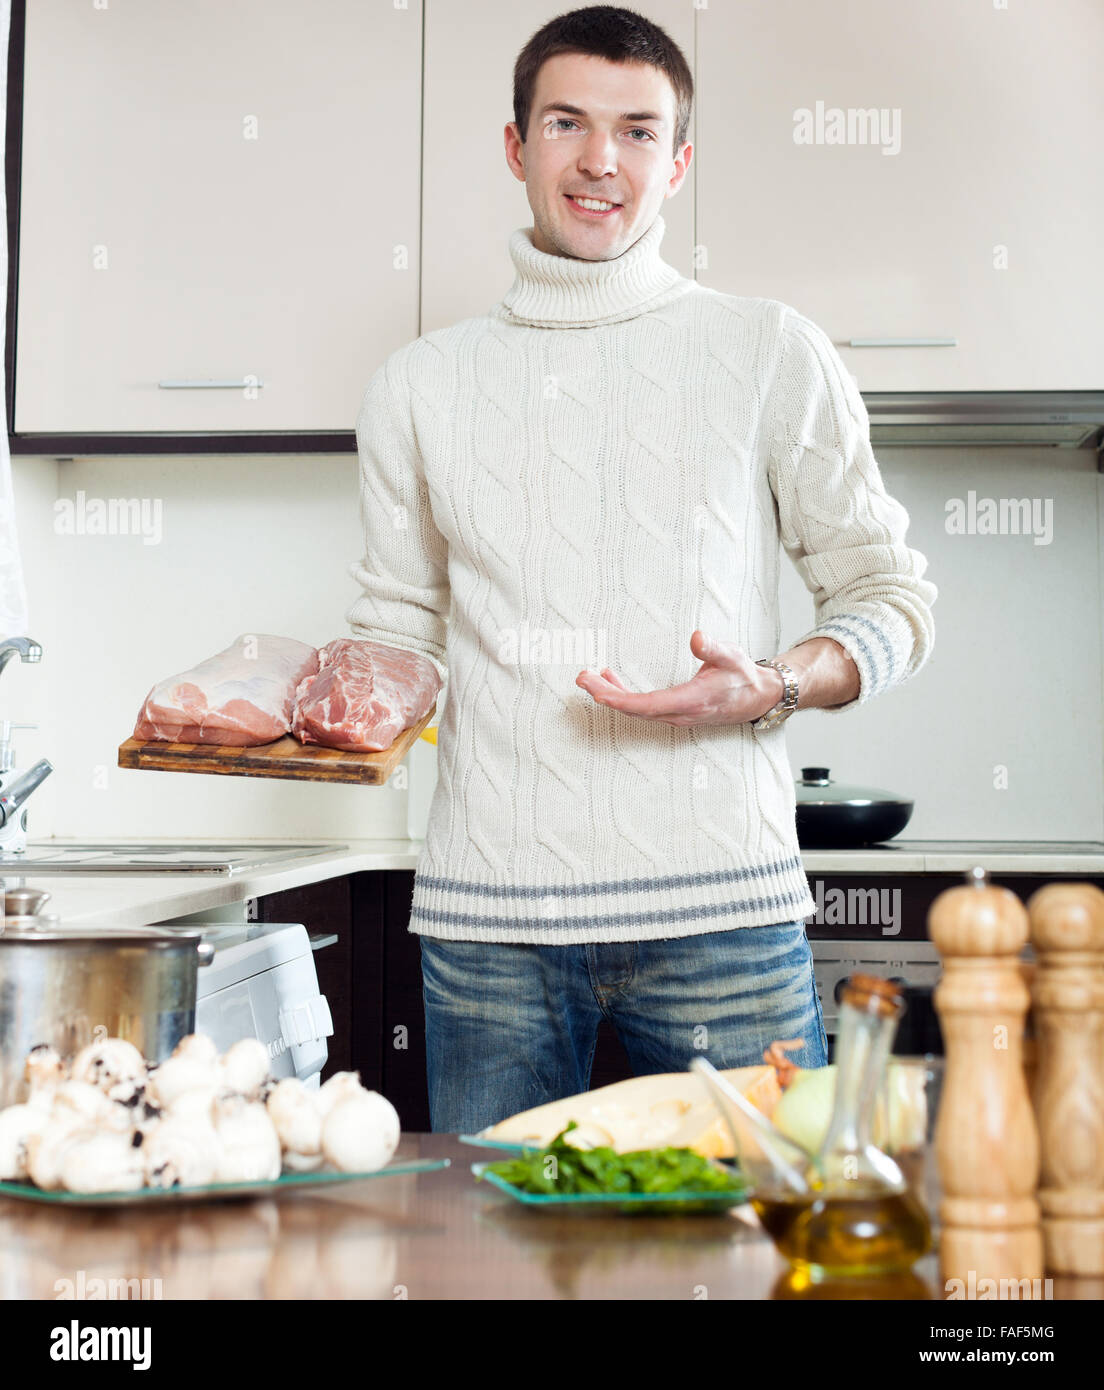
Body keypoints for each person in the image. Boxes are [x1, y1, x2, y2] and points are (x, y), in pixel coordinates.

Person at [345, 6, 936, 1133]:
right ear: (517, 147)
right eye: (566, 122)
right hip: (490, 927)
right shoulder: (418, 385)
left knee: (761, 1247)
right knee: (504, 1263)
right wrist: (310, 707)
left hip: (723, 913)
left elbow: (893, 601)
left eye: (637, 130)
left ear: (678, 162)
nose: (600, 159)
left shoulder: (767, 349)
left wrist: (768, 683)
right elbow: (396, 629)